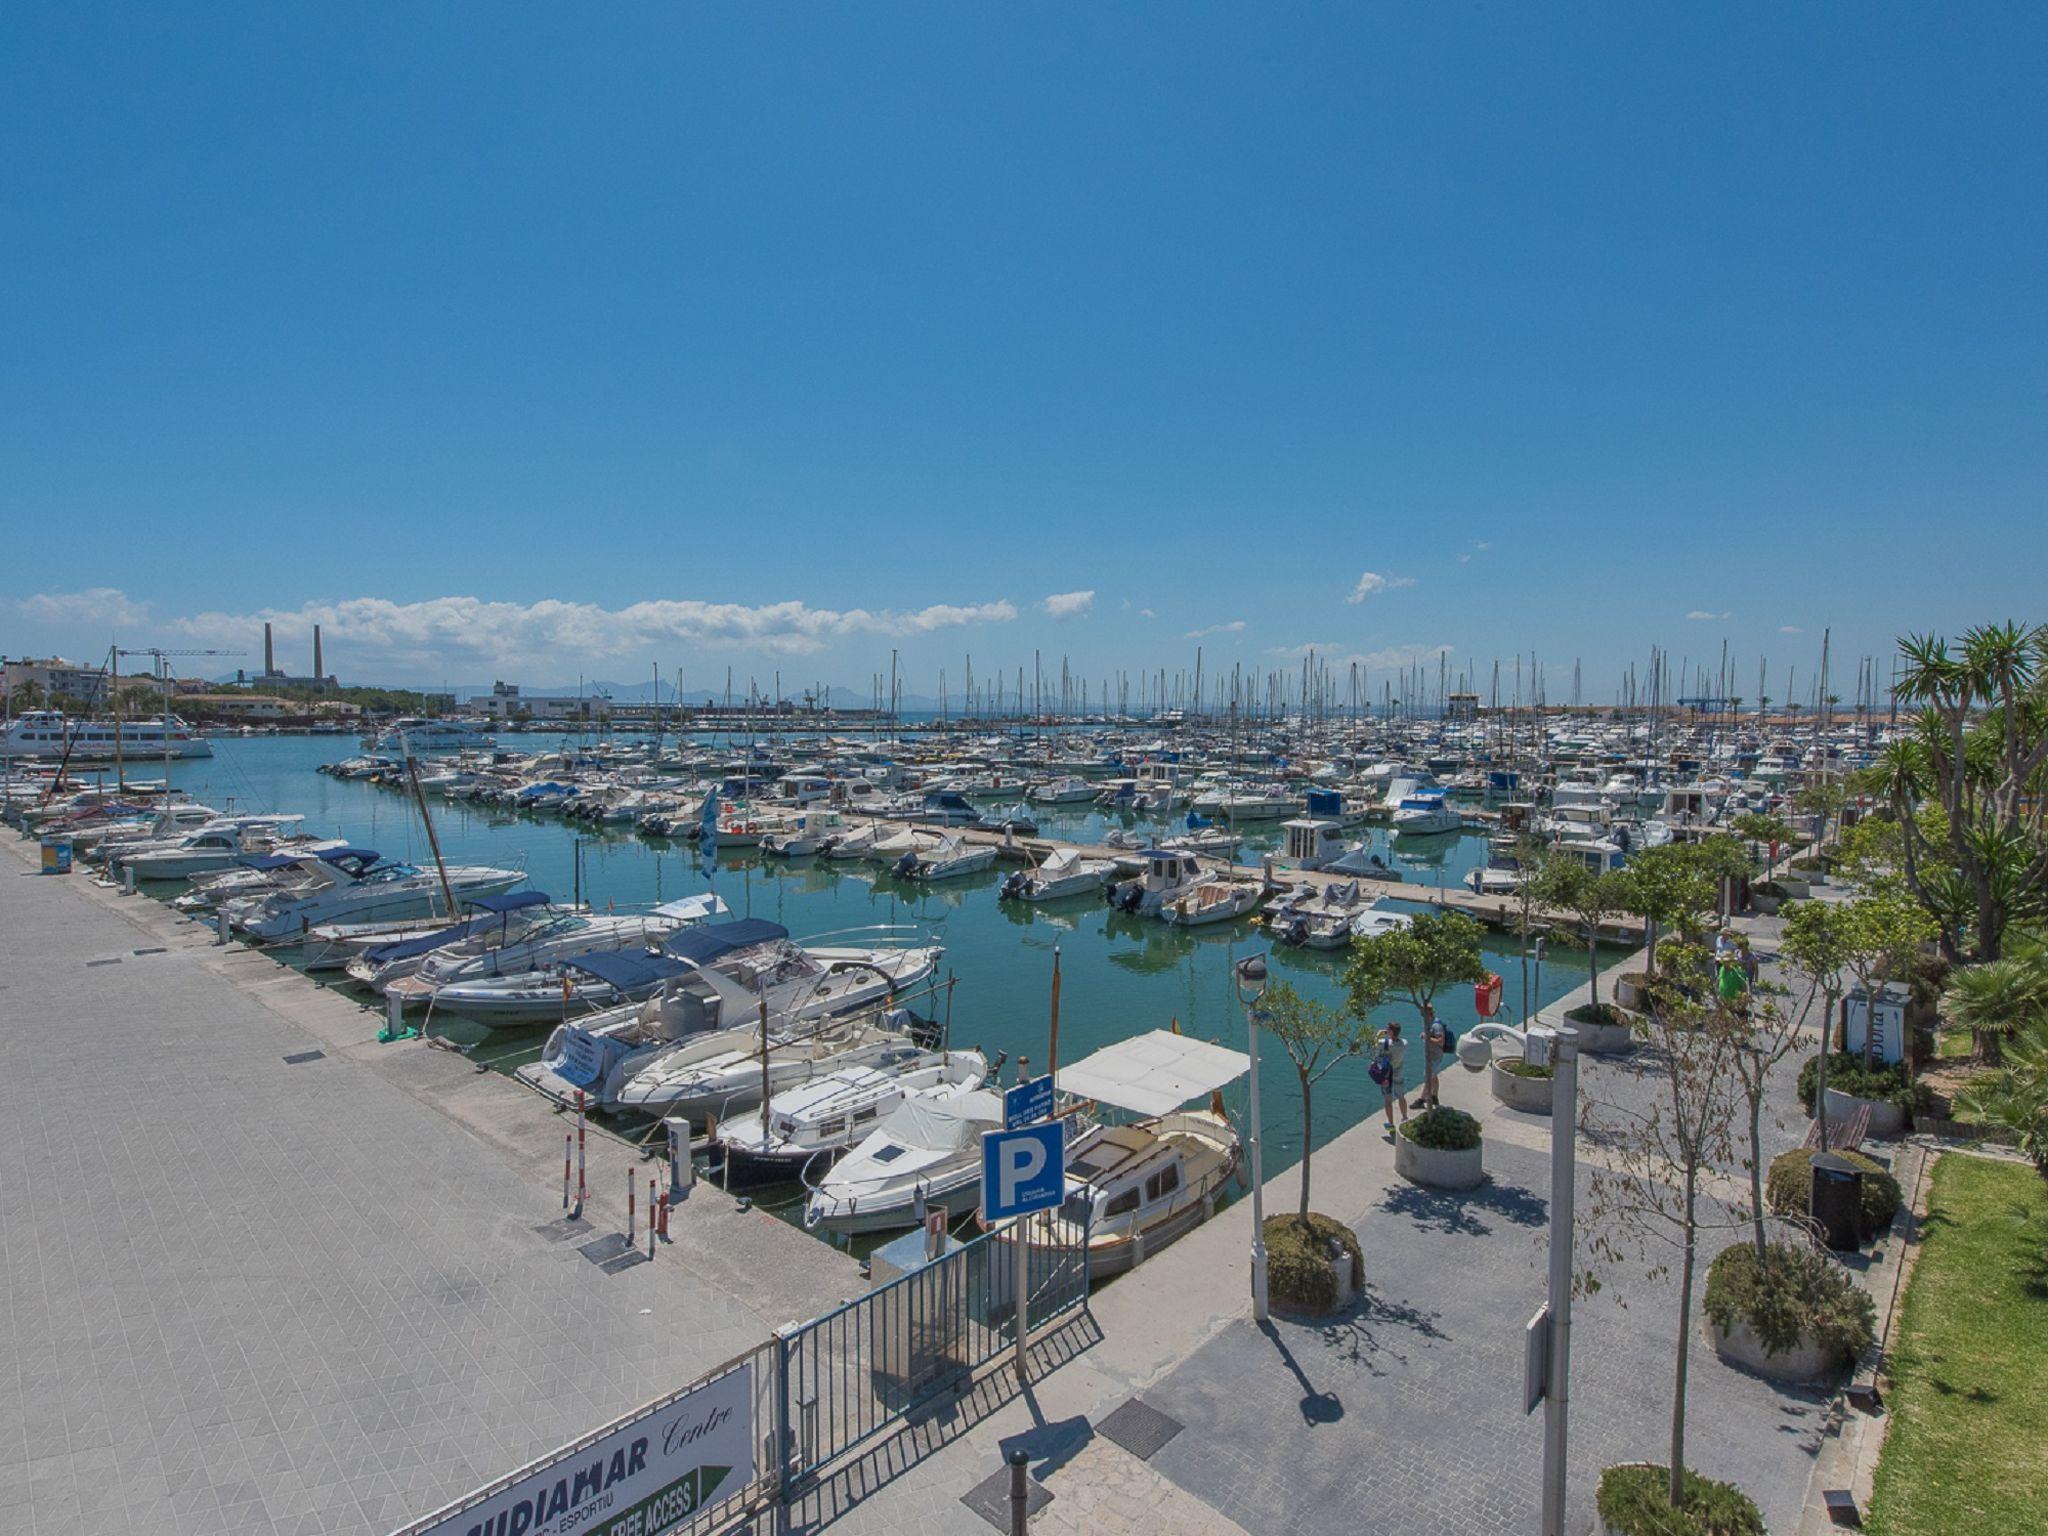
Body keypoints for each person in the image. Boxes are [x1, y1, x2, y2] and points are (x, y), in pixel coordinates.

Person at [1373, 1020, 1409, 1131]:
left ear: (1391, 1032)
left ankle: (1390, 1123)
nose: (1386, 1030)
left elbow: (1374, 1045)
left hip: (1386, 1076)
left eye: (1388, 1029)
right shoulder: (1404, 1043)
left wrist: (1379, 1033)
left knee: (1388, 1100)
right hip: (1398, 1073)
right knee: (1401, 1097)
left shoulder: (1384, 1043)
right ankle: (1404, 1118)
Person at [1418, 1007, 1447, 1110]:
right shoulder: (1430, 1022)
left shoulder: (1436, 1025)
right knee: (1433, 1076)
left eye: (1422, 1013)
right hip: (1431, 1055)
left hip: (1435, 1055)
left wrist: (1426, 1037)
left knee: (1428, 1076)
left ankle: (1421, 1100)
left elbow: (1440, 1041)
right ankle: (1434, 1096)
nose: (1421, 1015)